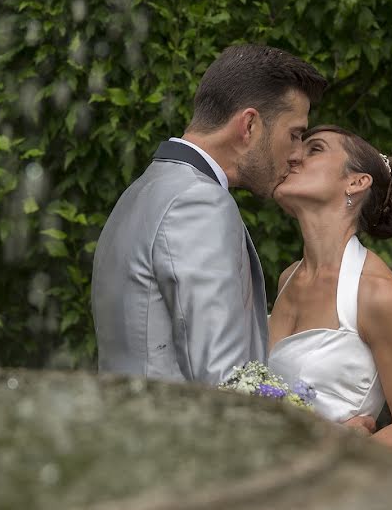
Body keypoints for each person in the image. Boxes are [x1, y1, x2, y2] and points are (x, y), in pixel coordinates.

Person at [91, 44, 326, 385]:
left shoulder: (141, 191)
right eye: (294, 135)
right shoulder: (200, 203)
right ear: (249, 126)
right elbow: (224, 382)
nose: (296, 154)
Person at [269, 125, 392, 460]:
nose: (294, 155)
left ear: (356, 182)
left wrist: (340, 452)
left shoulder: (375, 294)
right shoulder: (287, 279)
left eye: (315, 149)